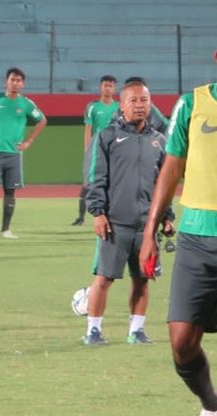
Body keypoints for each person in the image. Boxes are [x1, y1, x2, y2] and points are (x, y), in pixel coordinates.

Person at [139, 50, 217, 416]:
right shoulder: (192, 103)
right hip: (196, 237)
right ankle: (211, 408)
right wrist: (150, 231)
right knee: (182, 342)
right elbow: (171, 168)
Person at [83, 80, 173, 346]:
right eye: (133, 101)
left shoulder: (159, 141)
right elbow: (96, 178)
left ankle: (136, 331)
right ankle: (93, 331)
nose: (139, 106)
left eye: (144, 100)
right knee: (104, 278)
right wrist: (98, 212)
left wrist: (166, 216)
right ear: (122, 105)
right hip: (115, 223)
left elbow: (163, 185)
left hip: (146, 227)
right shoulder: (108, 137)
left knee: (143, 280)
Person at [0, 67, 47, 239]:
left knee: (10, 191)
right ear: (7, 81)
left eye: (19, 80)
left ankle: (5, 230)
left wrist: (28, 142)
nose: (15, 83)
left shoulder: (26, 104)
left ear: (23, 84)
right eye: (12, 79)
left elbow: (42, 120)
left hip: (14, 154)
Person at [71, 75, 118, 226]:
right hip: (96, 149)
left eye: (110, 85)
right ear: (100, 87)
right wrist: (87, 148)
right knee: (88, 183)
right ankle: (81, 217)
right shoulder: (92, 106)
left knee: (113, 183)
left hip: (114, 150)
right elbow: (88, 128)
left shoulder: (119, 107)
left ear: (114, 88)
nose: (108, 88)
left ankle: (111, 216)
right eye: (105, 85)